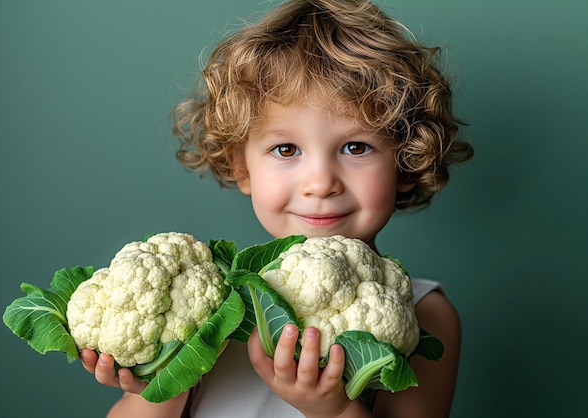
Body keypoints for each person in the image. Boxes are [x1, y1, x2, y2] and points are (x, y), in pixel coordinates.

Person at [80, 0, 474, 416]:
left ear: (406, 162)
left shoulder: (421, 313)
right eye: (286, 149)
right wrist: (162, 384)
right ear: (241, 167)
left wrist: (336, 410)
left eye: (355, 147)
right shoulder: (207, 303)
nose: (320, 182)